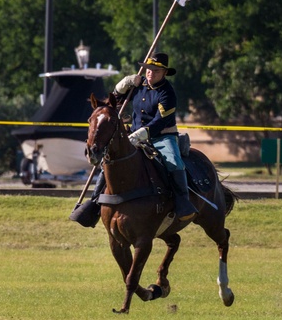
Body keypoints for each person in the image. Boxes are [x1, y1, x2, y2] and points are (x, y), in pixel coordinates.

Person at [70, 52, 198, 227]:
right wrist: (124, 85)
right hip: (133, 134)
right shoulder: (139, 85)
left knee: (174, 162)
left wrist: (142, 134)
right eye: (148, 69)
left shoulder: (167, 93)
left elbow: (161, 120)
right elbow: (114, 102)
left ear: (164, 73)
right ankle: (94, 204)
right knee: (109, 161)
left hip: (161, 136)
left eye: (155, 70)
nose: (150, 73)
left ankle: (183, 202)